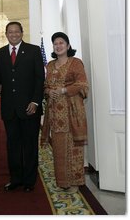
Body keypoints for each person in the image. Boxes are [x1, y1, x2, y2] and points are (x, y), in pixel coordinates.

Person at [0, 21, 45, 192]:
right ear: (5, 34)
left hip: (30, 108)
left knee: (29, 146)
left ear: (22, 33)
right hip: (9, 109)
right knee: (12, 146)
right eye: (10, 32)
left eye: (16, 31)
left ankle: (29, 181)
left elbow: (39, 78)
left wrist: (36, 101)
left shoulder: (34, 50)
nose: (13, 34)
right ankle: (15, 179)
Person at [40, 32, 89, 194]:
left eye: (61, 43)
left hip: (72, 113)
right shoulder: (50, 65)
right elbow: (45, 86)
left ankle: (75, 182)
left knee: (74, 148)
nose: (58, 45)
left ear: (68, 46)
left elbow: (82, 84)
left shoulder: (75, 63)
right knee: (59, 148)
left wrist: (63, 90)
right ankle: (63, 181)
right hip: (55, 114)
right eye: (55, 43)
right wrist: (49, 92)